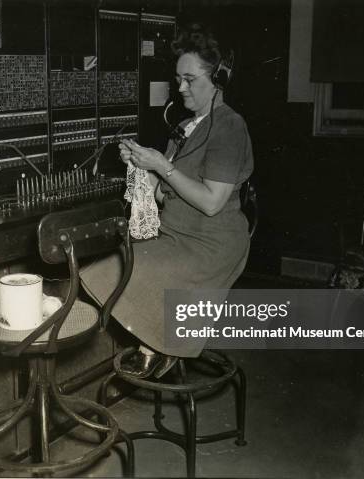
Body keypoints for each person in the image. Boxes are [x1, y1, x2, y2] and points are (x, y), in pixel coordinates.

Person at [80, 23, 254, 378]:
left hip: (211, 243)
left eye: (190, 79)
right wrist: (143, 168)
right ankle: (158, 345)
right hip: (177, 235)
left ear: (218, 79)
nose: (181, 87)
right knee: (112, 265)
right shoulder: (188, 127)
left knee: (122, 270)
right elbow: (165, 196)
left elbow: (210, 202)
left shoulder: (229, 127)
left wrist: (161, 164)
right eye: (178, 79)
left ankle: (160, 345)